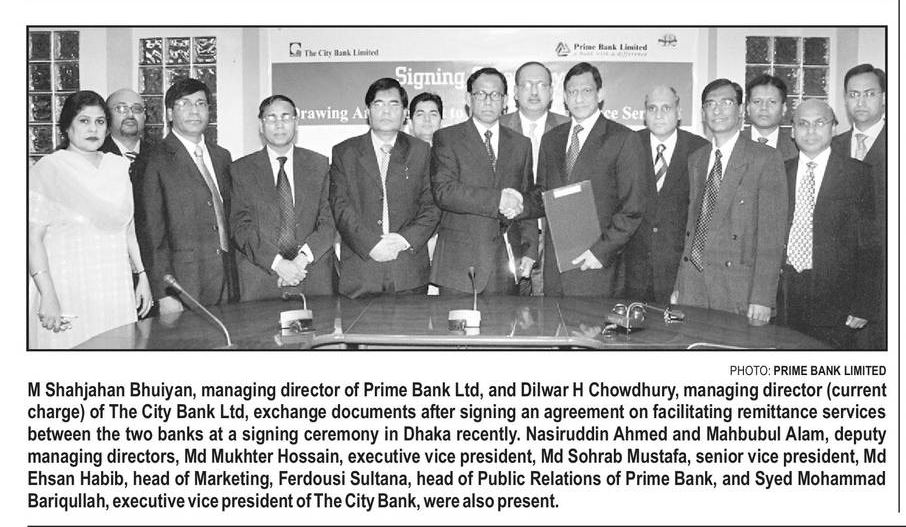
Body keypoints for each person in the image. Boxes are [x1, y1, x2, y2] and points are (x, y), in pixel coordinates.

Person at [28, 90, 152, 348]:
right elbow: (33, 238)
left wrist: (143, 276)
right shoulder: (49, 168)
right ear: (67, 127)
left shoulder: (117, 167)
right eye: (84, 121)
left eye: (100, 121)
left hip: (113, 286)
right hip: (66, 286)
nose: (93, 129)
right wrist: (47, 294)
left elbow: (127, 228)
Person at [672, 79, 787, 323]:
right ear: (703, 112)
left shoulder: (765, 158)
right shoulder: (697, 159)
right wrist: (680, 284)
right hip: (693, 285)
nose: (717, 110)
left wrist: (762, 298)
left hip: (737, 288)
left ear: (741, 109)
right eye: (710, 104)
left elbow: (771, 236)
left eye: (726, 102)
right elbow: (692, 228)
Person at [529, 62, 646, 297]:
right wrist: (514, 202)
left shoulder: (623, 139)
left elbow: (632, 209)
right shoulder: (551, 140)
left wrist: (600, 252)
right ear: (564, 97)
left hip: (598, 268)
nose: (579, 98)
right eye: (572, 92)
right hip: (556, 269)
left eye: (586, 90)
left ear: (600, 94)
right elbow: (541, 195)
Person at [778, 99, 879, 348]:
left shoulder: (858, 174)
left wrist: (864, 302)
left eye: (820, 123)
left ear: (833, 128)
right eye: (803, 124)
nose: (811, 130)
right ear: (793, 131)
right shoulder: (779, 172)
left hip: (836, 298)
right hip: (785, 293)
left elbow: (870, 245)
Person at [330, 78, 440, 297]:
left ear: (405, 113)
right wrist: (370, 245)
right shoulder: (345, 152)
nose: (386, 111)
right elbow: (340, 206)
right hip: (362, 271)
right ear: (368, 111)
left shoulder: (421, 151)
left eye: (394, 104)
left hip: (408, 270)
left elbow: (432, 205)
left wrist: (404, 240)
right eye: (378, 104)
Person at [430, 67, 535, 295]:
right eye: (481, 94)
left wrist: (530, 250)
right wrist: (498, 200)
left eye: (495, 94)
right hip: (459, 265)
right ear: (468, 98)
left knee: (504, 319)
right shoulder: (447, 138)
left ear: (505, 101)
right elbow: (444, 192)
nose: (488, 101)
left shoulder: (521, 144)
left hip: (505, 264)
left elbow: (525, 199)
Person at [141, 78, 237, 312]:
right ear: (169, 113)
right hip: (183, 282)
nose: (194, 111)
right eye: (185, 103)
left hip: (227, 277)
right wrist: (164, 292)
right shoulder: (154, 159)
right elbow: (152, 232)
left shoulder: (222, 156)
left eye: (201, 103)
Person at [230, 95, 337, 301]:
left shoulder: (319, 165)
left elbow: (329, 221)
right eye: (271, 118)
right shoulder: (240, 170)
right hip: (260, 280)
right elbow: (240, 226)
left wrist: (301, 260)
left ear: (296, 122)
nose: (279, 124)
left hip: (312, 276)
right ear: (261, 125)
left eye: (286, 117)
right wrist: (278, 264)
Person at [623, 85, 708, 304]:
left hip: (677, 272)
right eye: (652, 108)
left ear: (679, 112)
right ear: (644, 114)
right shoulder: (627, 144)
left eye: (666, 108)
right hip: (631, 272)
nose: (659, 114)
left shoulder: (700, 149)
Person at [500, 61, 570, 295]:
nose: (534, 91)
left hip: (557, 238)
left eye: (541, 85)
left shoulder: (569, 129)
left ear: (551, 92)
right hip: (511, 236)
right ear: (515, 92)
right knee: (507, 311)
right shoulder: (497, 128)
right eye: (527, 85)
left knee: (551, 309)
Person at [831, 63, 887, 349]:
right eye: (853, 94)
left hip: (886, 285)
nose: (861, 101)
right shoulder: (833, 146)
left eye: (869, 93)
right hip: (837, 285)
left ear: (884, 97)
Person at [100, 88, 156, 271]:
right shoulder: (94, 156)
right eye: (121, 109)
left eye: (137, 109)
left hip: (154, 262)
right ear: (107, 116)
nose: (130, 115)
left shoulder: (160, 157)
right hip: (107, 261)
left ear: (145, 117)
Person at [743, 74, 798, 161]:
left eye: (772, 102)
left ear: (784, 108)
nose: (764, 107)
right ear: (748, 107)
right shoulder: (732, 143)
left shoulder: (796, 148)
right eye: (757, 101)